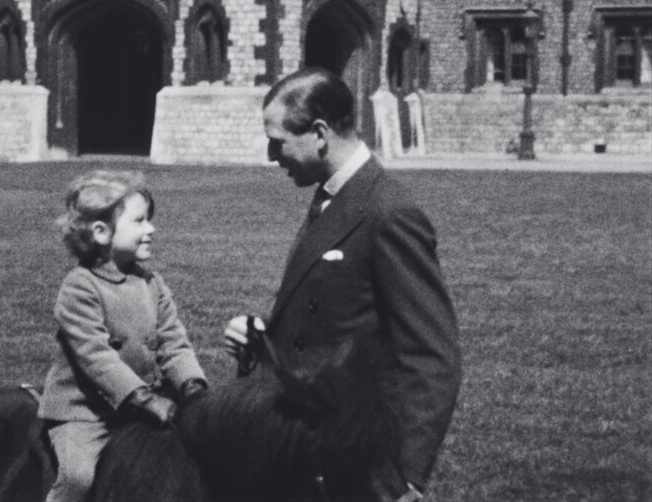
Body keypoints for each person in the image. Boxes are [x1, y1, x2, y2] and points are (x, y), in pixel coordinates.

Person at [224, 68, 461, 502]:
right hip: (306, 440)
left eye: (278, 141)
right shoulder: (332, 194)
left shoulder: (388, 211)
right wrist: (261, 341)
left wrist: (406, 478)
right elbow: (331, 315)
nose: (271, 155)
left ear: (319, 133)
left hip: (354, 455)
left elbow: (431, 355)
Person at [39, 170, 207, 502]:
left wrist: (194, 389)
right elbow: (97, 358)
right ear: (101, 232)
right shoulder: (80, 287)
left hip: (143, 405)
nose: (151, 229)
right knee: (79, 478)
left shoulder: (151, 283)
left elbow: (174, 342)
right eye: (140, 221)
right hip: (86, 414)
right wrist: (145, 400)